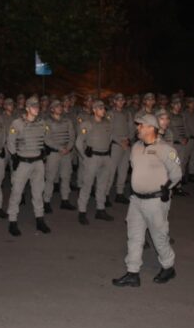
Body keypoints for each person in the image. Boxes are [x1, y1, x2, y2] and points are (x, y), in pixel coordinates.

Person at [112, 114, 182, 288]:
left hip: (156, 201)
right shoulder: (136, 146)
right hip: (136, 201)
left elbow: (177, 174)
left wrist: (167, 188)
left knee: (159, 237)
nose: (138, 128)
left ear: (151, 127)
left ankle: (168, 267)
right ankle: (132, 272)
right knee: (134, 236)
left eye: (141, 125)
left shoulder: (166, 149)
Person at [6, 96, 50, 236]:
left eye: (37, 106)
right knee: (17, 192)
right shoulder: (17, 123)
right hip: (23, 162)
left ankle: (40, 219)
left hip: (38, 162)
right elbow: (10, 141)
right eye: (33, 106)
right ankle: (12, 221)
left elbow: (45, 138)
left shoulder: (42, 123)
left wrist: (44, 150)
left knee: (38, 192)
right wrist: (14, 156)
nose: (36, 109)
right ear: (27, 108)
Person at [76, 99, 115, 224]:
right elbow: (78, 142)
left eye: (104, 108)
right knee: (87, 185)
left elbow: (109, 139)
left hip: (105, 157)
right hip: (93, 158)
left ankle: (100, 209)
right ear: (94, 110)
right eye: (100, 108)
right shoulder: (87, 124)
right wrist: (85, 157)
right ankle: (82, 211)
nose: (103, 110)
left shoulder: (108, 123)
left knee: (102, 185)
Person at [43, 99, 76, 212]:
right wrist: (60, 148)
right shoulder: (47, 122)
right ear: (52, 109)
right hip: (54, 153)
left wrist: (69, 147)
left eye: (60, 106)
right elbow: (47, 139)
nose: (60, 108)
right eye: (57, 106)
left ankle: (65, 200)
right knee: (50, 178)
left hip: (66, 153)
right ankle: (46, 201)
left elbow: (72, 136)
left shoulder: (67, 121)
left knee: (66, 177)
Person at [107, 93, 133, 204]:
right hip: (116, 144)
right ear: (114, 101)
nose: (121, 102)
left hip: (126, 144)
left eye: (123, 100)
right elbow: (109, 130)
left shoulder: (127, 113)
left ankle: (119, 193)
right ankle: (105, 194)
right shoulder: (110, 113)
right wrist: (120, 141)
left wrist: (129, 139)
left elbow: (132, 128)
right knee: (111, 171)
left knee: (123, 170)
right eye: (118, 100)